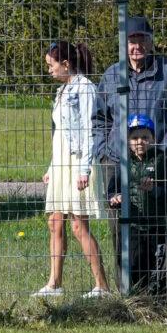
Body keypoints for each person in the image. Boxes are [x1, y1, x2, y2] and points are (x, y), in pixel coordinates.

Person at [93, 16, 167, 299]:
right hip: (119, 164)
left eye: (141, 39)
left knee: (161, 227)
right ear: (123, 43)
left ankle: (159, 294)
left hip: (159, 163)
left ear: (151, 41)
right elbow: (100, 119)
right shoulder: (112, 75)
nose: (136, 46)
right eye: (131, 40)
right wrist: (105, 153)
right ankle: (129, 293)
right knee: (122, 229)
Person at [33, 41, 111, 299]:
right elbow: (61, 134)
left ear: (66, 64)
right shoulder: (62, 91)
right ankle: (54, 284)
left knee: (78, 226)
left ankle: (103, 286)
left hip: (79, 162)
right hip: (61, 163)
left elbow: (90, 132)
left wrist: (85, 169)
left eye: (51, 65)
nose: (49, 70)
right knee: (55, 222)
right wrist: (51, 167)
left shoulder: (86, 89)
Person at [106, 114, 167, 300]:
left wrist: (154, 190)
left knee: (156, 265)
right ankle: (133, 300)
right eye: (135, 138)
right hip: (132, 225)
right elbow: (112, 190)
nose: (140, 142)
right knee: (134, 263)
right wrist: (115, 198)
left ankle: (158, 300)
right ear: (128, 140)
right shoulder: (123, 163)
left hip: (155, 224)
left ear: (153, 138)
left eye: (145, 137)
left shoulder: (161, 161)